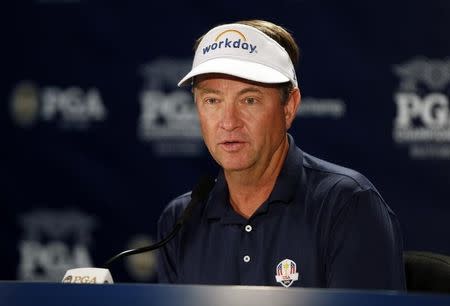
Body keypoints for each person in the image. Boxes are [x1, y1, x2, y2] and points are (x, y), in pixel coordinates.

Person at [157, 19, 405, 289]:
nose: (228, 122)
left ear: (289, 107)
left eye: (249, 100)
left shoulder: (347, 205)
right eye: (212, 101)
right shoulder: (180, 220)